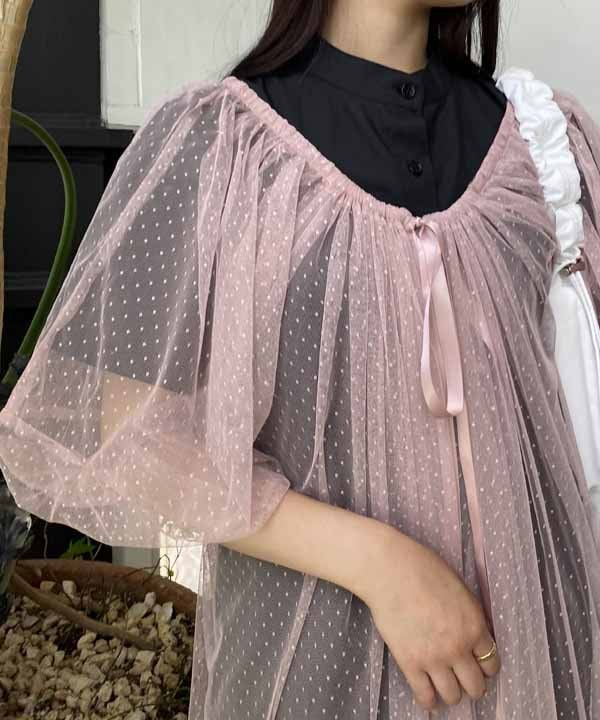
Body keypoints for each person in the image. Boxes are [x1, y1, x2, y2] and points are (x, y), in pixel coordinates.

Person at [0, 0, 599, 717]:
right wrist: (377, 562)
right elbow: (134, 436)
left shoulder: (541, 144)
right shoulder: (218, 144)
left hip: (538, 643)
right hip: (313, 656)